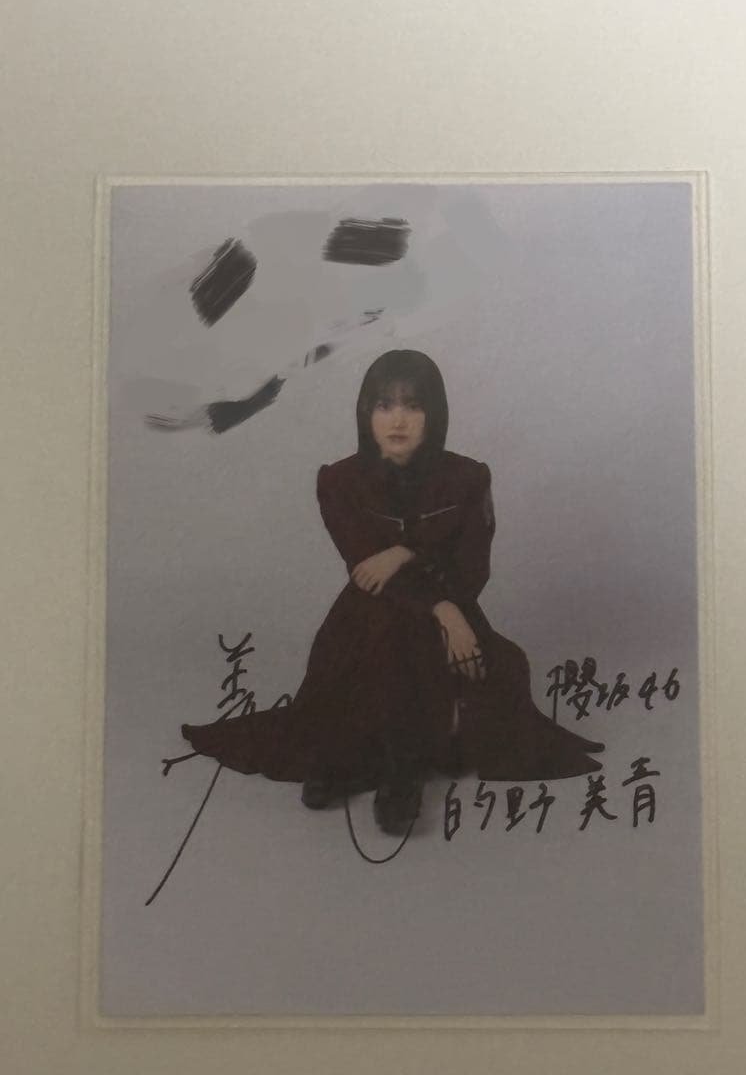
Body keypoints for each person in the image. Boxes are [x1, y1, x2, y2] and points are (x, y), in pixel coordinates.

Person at [177, 350, 604, 834]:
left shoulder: (468, 478)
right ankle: (376, 761)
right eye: (384, 405)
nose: (398, 420)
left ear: (434, 413)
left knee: (422, 643)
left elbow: (472, 569)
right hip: (368, 620)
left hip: (450, 613)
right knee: (389, 626)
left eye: (412, 405)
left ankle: (393, 769)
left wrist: (405, 553)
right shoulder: (338, 481)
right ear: (366, 413)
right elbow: (366, 574)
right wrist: (442, 609)